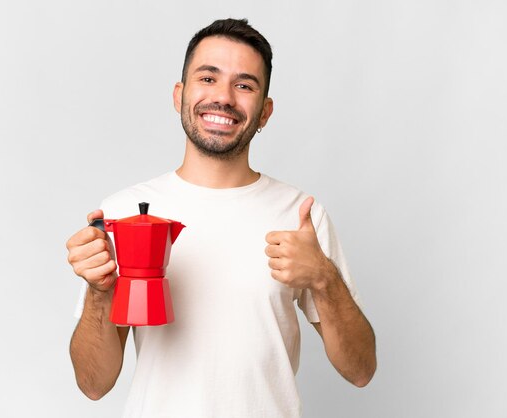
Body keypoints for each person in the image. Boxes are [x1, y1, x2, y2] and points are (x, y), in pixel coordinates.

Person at [66, 18, 376, 418]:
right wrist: (98, 291)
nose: (224, 98)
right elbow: (93, 385)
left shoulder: (300, 216)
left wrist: (324, 277)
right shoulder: (121, 214)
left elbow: (361, 370)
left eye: (244, 85)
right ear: (179, 95)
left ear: (264, 112)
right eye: (208, 78)